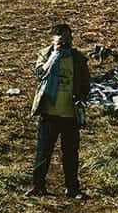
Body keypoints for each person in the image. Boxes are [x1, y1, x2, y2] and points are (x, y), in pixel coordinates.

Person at [26, 23, 90, 200]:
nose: (65, 43)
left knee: (70, 153)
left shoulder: (77, 59)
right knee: (43, 152)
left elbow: (86, 83)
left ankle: (72, 188)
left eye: (67, 39)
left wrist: (81, 97)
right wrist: (54, 56)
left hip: (70, 114)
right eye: (60, 40)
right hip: (49, 113)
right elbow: (39, 74)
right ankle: (38, 186)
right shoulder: (45, 54)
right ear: (52, 40)